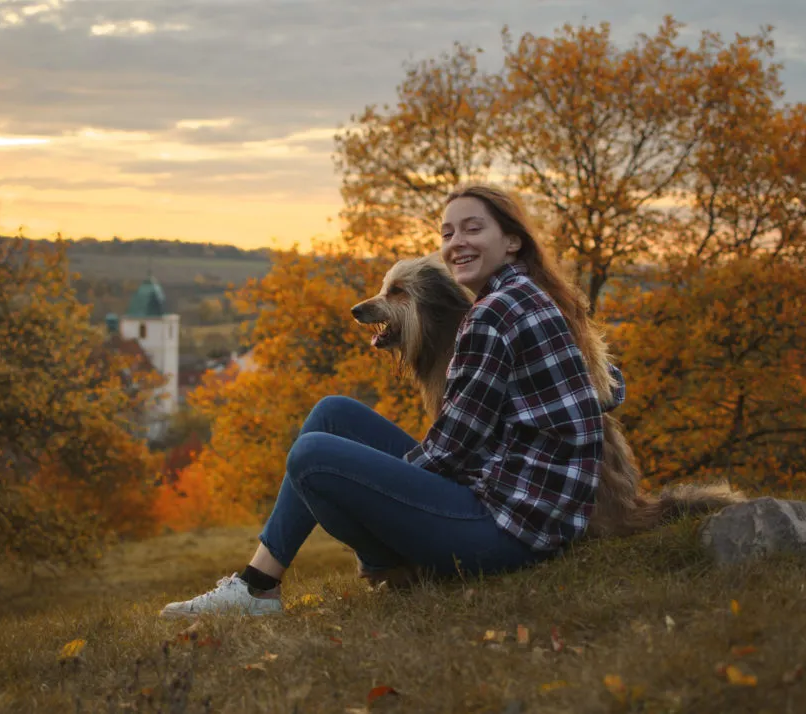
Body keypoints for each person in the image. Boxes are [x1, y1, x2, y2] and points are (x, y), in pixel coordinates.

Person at [159, 184, 623, 619]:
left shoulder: (493, 313)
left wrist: (376, 492)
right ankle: (258, 583)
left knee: (313, 456)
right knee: (332, 413)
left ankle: (363, 567)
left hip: (512, 536)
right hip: (519, 510)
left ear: (513, 241)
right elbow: (609, 388)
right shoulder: (530, 296)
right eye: (448, 233)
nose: (457, 242)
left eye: (473, 228)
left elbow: (448, 452)